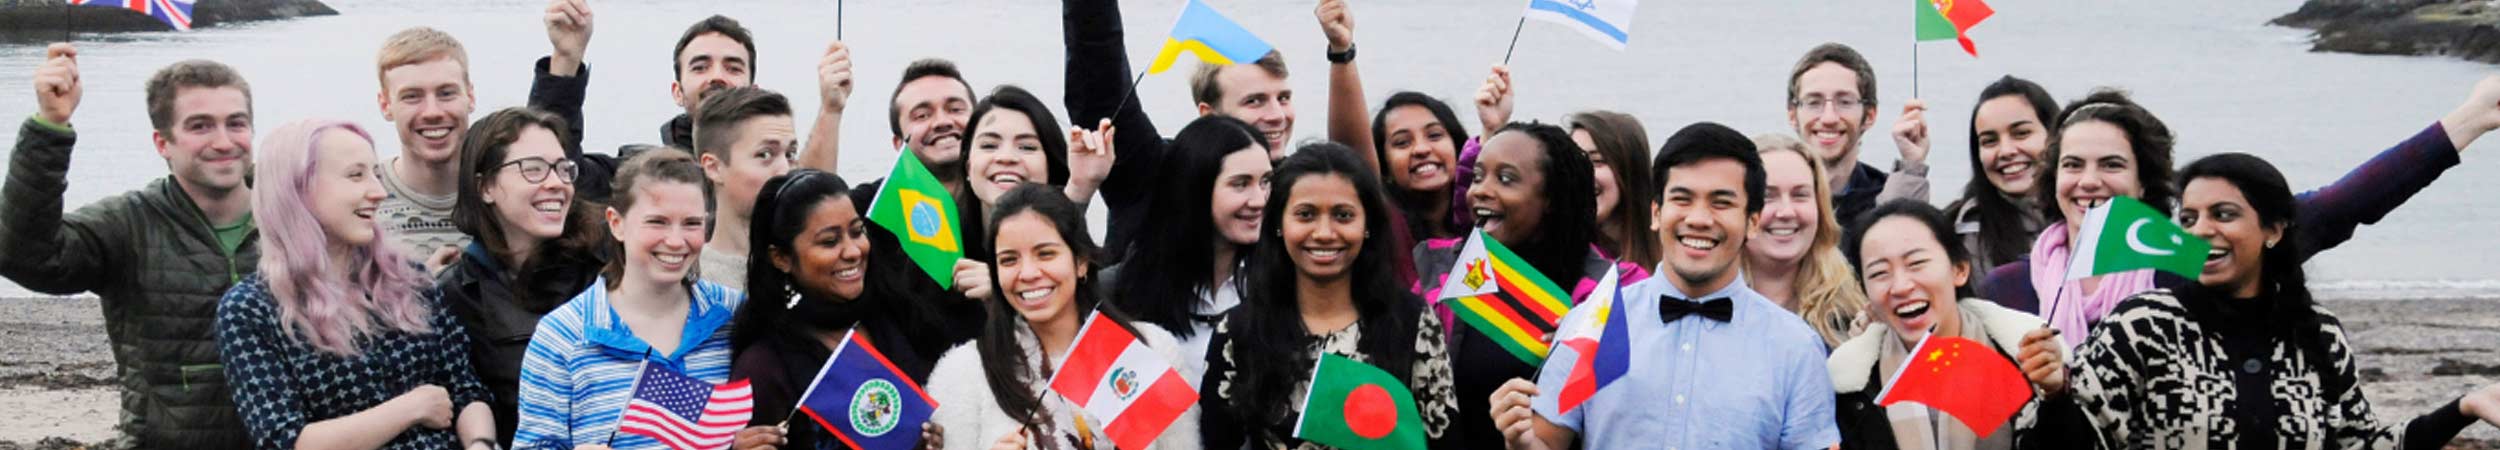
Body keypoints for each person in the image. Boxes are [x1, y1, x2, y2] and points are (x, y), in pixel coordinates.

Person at [1982, 79, 2500, 344]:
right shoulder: (2005, 289)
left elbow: (2334, 209)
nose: (2088, 181)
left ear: (2145, 181)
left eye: (2112, 164)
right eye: (2073, 165)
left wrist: (2470, 119)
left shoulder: (2189, 262)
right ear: (2053, 180)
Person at [2045, 153, 2500, 448]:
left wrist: (2463, 408)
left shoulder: (2317, 332)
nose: (2201, 230)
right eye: (2189, 218)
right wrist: (2055, 391)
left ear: (2274, 230)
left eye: (2223, 214)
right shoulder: (2142, 324)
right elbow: (2082, 436)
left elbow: (2363, 446)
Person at [1489, 122, 1838, 450]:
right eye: (1682, 199)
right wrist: (1518, 438)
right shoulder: (1594, 322)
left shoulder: (1795, 346)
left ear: (1752, 222)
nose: (1699, 219)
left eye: (1721, 202)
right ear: (1656, 212)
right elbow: (1548, 442)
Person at [0, 49, 258, 448]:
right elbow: (26, 258)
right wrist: (51, 126)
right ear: (162, 143)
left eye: (235, 123)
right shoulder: (127, 223)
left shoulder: (298, 214)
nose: (223, 141)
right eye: (200, 126)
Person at [214, 119, 497, 450]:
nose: (378, 191)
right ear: (297, 188)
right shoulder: (250, 309)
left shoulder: (410, 278)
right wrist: (411, 408)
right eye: (356, 175)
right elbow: (284, 439)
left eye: (375, 173)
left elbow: (466, 387)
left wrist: (481, 443)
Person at [1199, 144, 1457, 449]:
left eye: (1343, 215)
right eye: (1306, 215)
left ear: (1367, 226)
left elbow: (1445, 441)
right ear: (1279, 224)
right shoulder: (1239, 331)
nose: (1324, 232)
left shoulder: (1411, 321)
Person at [929, 184, 1201, 449]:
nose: (1028, 273)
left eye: (1045, 254)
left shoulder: (1148, 350)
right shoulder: (964, 372)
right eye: (1009, 260)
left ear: (1081, 261)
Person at [513, 149, 745, 450]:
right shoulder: (563, 336)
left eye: (691, 223)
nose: (676, 241)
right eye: (657, 222)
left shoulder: (734, 313)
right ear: (616, 223)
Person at [1410, 122, 1620, 448]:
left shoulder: (1608, 292)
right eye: (1478, 176)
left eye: (1506, 179)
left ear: (1551, 196)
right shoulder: (1444, 276)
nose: (1480, 190)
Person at [525, 3, 852, 200]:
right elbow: (558, 171)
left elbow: (813, 200)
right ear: (677, 91)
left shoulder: (777, 173)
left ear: (752, 89)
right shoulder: (636, 175)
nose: (717, 76)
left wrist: (831, 109)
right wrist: (566, 60)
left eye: (733, 66)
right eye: (700, 66)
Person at [1062, 0, 1299, 260]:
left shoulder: (1303, 187)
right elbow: (1099, 79)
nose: (1277, 116)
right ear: (1209, 115)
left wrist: (1342, 54)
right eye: (1254, 101)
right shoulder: (1157, 174)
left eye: (1284, 98)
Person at [728, 170, 947, 450]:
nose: (853, 251)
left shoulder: (901, 317)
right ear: (781, 258)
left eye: (857, 232)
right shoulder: (765, 366)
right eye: (829, 242)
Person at [1829, 199, 2071, 449]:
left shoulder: (2023, 355)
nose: (1901, 286)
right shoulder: (1850, 384)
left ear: (1959, 269)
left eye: (1916, 263)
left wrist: (2054, 395)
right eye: (1879, 273)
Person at [435, 107, 611, 444]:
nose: (556, 184)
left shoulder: (607, 265)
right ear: (485, 186)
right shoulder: (454, 294)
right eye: (533, 170)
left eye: (563, 169)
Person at [1101, 115, 1271, 378]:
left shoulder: (1282, 278)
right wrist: (1081, 187)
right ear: (1195, 188)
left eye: (1265, 181)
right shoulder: (1125, 287)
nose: (1259, 199)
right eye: (1241, 184)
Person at [1784, 43, 1929, 230]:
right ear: (1793, 115)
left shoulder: (1888, 195)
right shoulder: (1766, 197)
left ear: (1869, 115)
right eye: (1814, 102)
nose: (1829, 118)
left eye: (1845, 102)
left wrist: (1911, 165)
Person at [1743, 133, 1866, 348]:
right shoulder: (1703, 306)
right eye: (1767, 196)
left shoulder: (1855, 315)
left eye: (1800, 195)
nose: (1786, 212)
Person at [372, 27, 480, 264]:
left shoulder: (504, 194)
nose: (432, 112)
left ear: (470, 97)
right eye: (412, 96)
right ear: (385, 105)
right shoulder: (363, 200)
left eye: (446, 93)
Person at [1944, 76, 2059, 280]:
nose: (2005, 151)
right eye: (1989, 141)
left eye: (2021, 133)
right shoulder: (1960, 233)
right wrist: (1912, 167)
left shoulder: (2093, 219)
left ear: (2056, 137)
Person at [693, 86, 800, 291]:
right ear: (714, 167)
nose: (785, 170)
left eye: (790, 154)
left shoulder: (816, 267)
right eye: (765, 155)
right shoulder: (690, 284)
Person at [1566, 110, 1659, 270]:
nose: (1580, 173)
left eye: (1597, 161)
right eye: (1573, 161)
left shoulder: (1671, 258)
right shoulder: (1556, 256)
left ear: (1631, 172)